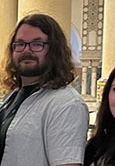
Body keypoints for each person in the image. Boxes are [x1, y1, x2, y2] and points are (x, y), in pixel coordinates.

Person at [0, 14, 89, 166]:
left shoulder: (66, 105)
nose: (26, 51)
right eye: (20, 44)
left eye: (37, 44)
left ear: (54, 50)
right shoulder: (13, 98)